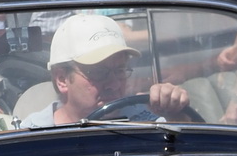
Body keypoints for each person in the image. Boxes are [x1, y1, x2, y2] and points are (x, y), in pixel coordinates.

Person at [22, 13, 191, 127]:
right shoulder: (32, 134)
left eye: (120, 71)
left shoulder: (145, 121)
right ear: (62, 79)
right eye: (99, 72)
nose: (114, 84)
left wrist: (175, 113)